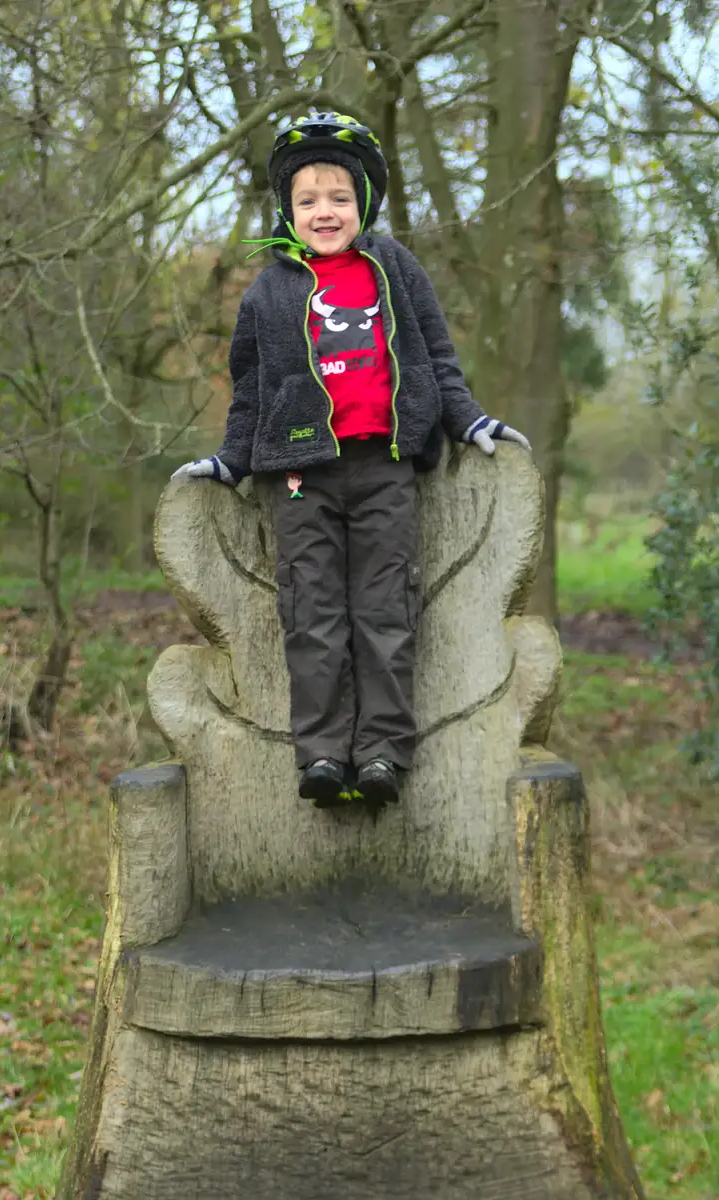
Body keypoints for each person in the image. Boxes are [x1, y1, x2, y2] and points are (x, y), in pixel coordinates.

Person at [172, 111, 529, 807]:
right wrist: (230, 461)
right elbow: (250, 388)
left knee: (384, 611)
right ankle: (324, 755)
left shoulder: (393, 267)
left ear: (362, 203)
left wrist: (467, 420)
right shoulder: (268, 291)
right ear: (287, 211)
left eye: (338, 197)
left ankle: (382, 754)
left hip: (384, 467)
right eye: (307, 200)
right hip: (300, 476)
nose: (323, 211)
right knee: (312, 616)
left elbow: (434, 356)